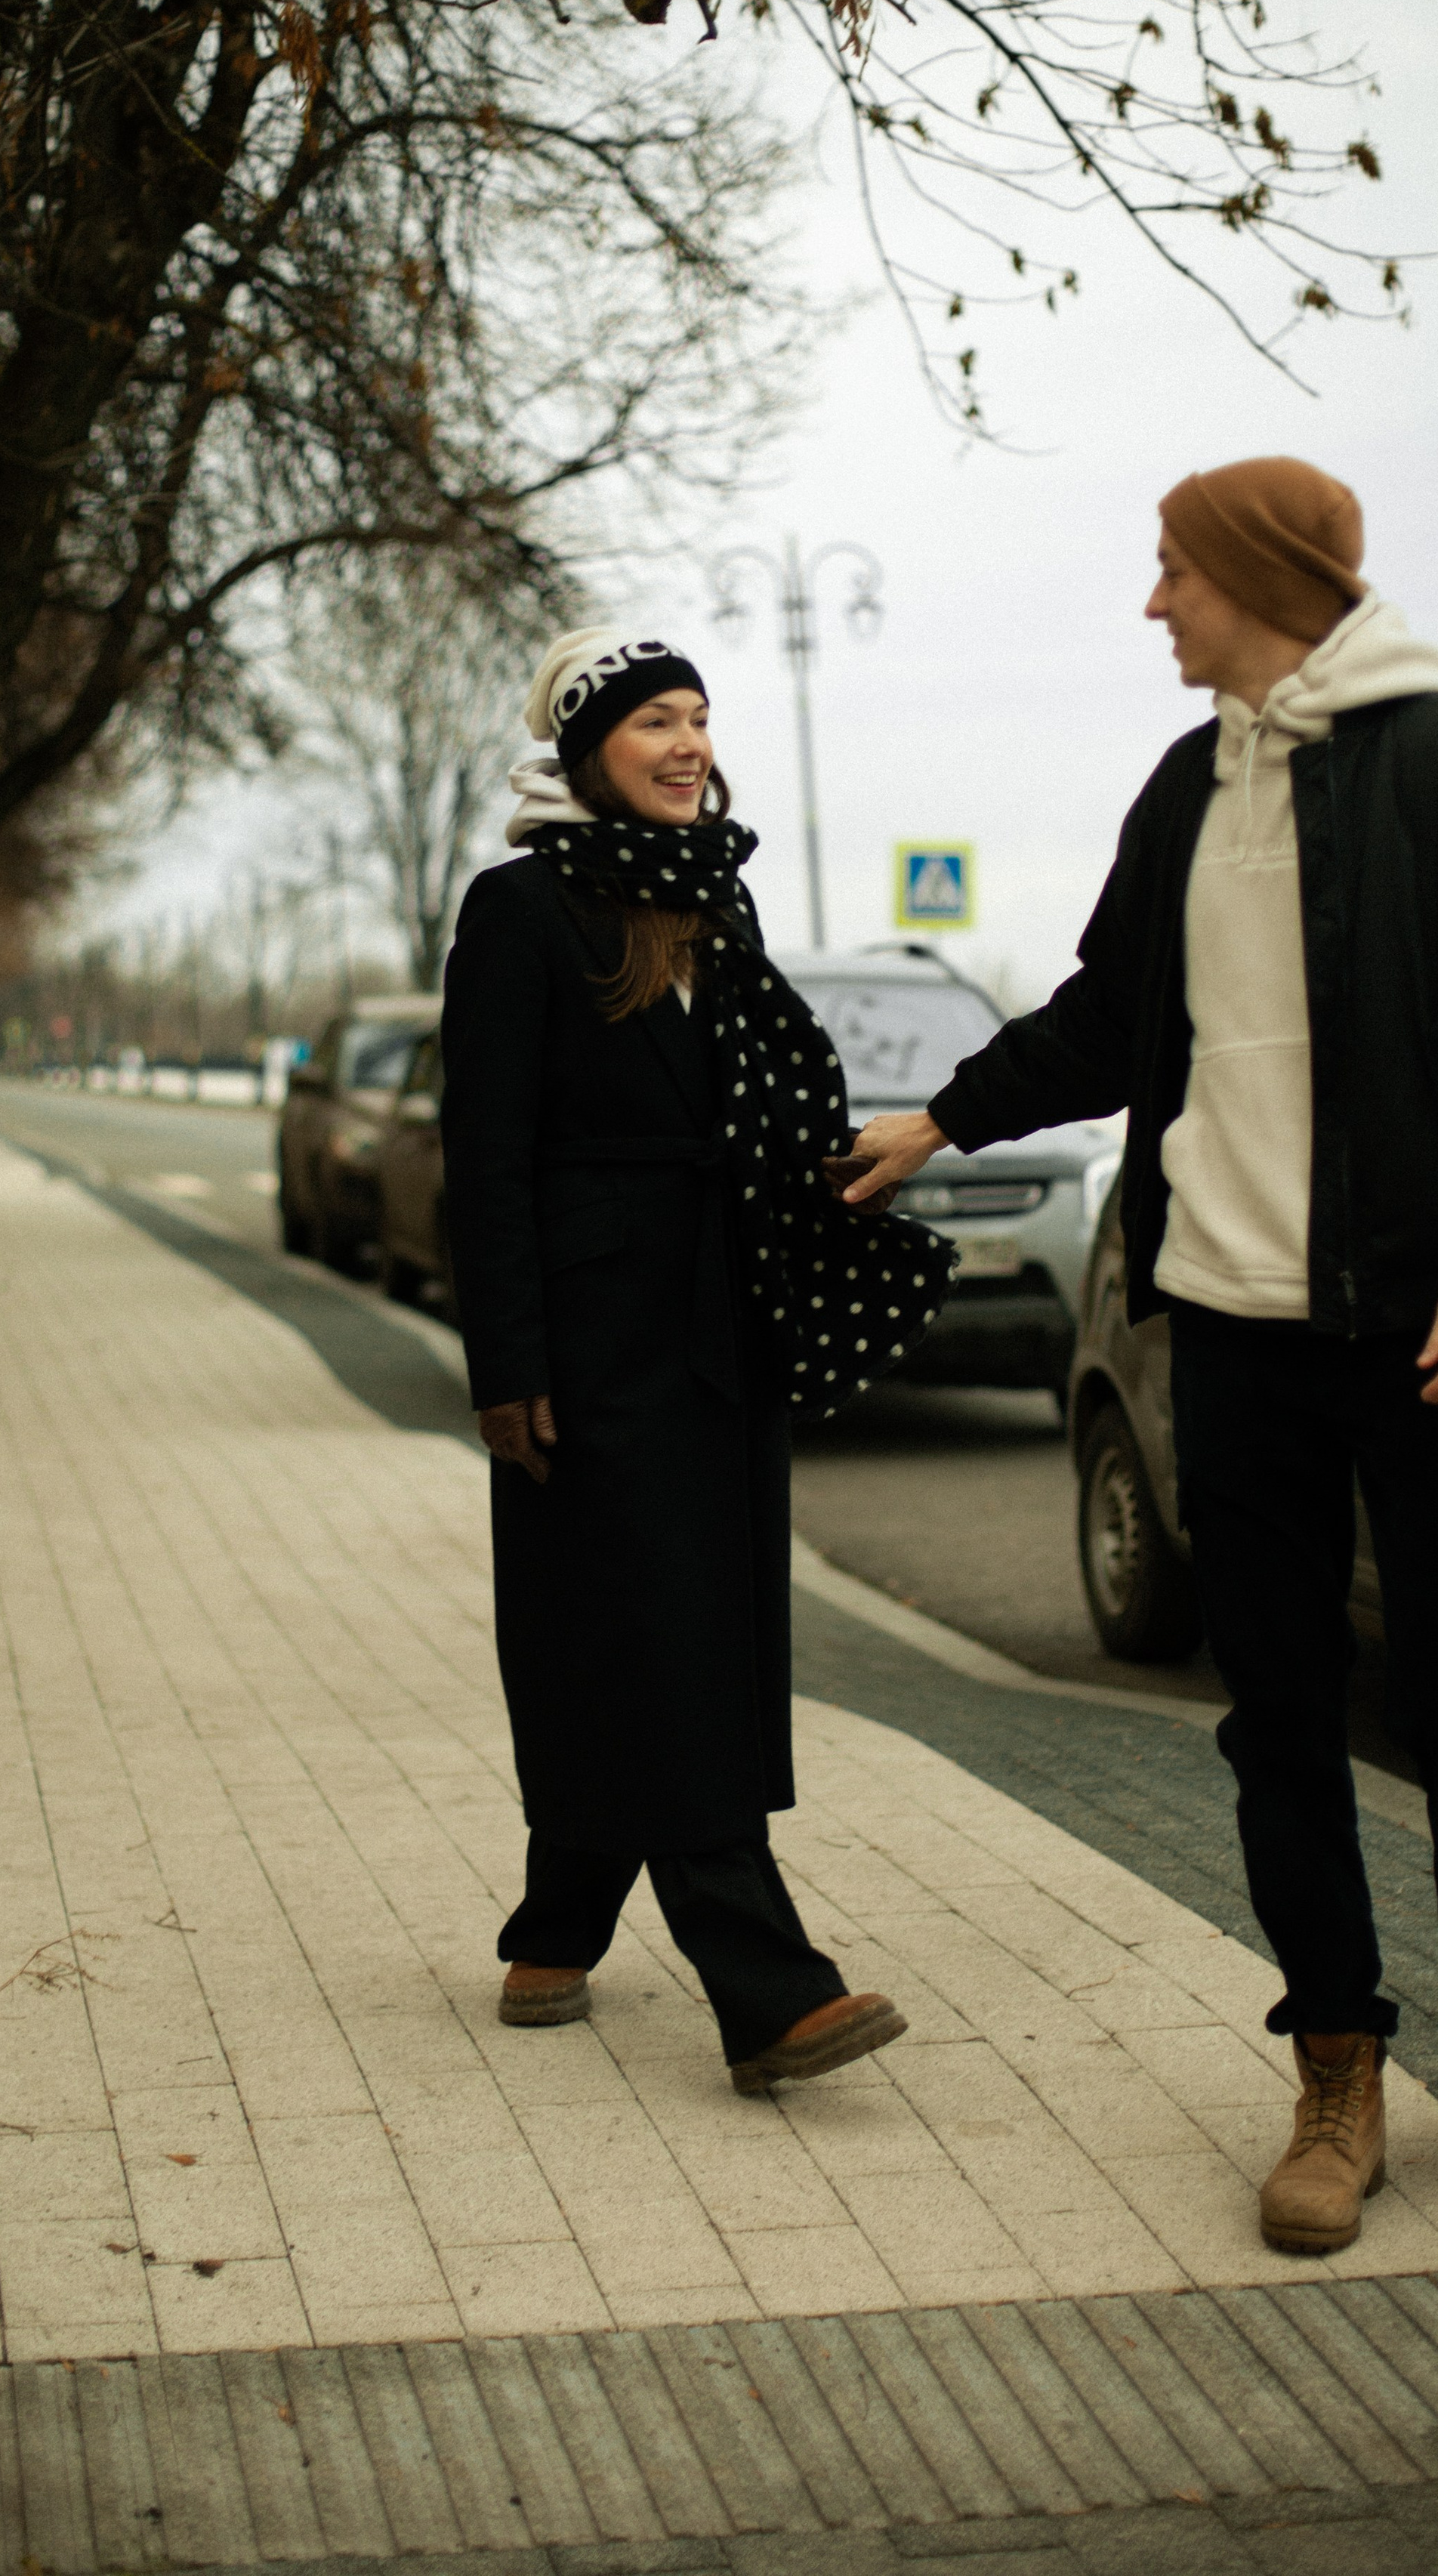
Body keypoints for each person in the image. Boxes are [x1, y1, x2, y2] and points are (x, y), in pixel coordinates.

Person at [840, 459, 1438, 2253]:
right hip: (1234, 1336)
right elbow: (1111, 1019)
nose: (1151, 606)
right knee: (1275, 1716)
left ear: (1261, 576)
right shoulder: (1188, 789)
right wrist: (940, 1120)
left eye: (1171, 573)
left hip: (1432, 1336)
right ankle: (1334, 2066)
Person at [440, 629, 951, 2093]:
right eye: (652, 721)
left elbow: (747, 1115)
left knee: (678, 1633)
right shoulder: (520, 908)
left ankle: (557, 1919)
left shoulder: (711, 898)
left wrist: (855, 1168)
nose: (684, 744)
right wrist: (506, 1362)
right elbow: (485, 1155)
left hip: (721, 1324)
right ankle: (766, 1986)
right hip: (591, 1343)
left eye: (697, 719)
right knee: (654, 1639)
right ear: (586, 749)